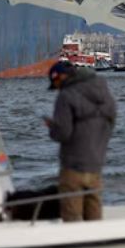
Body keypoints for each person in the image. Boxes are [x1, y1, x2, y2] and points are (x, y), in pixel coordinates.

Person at [44, 60, 116, 222]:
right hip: (96, 165)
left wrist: (52, 128)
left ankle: (75, 246)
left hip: (73, 167)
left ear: (62, 76)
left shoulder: (66, 96)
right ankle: (97, 245)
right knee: (94, 216)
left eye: (55, 82)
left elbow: (63, 133)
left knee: (72, 217)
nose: (57, 88)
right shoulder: (104, 93)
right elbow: (110, 124)